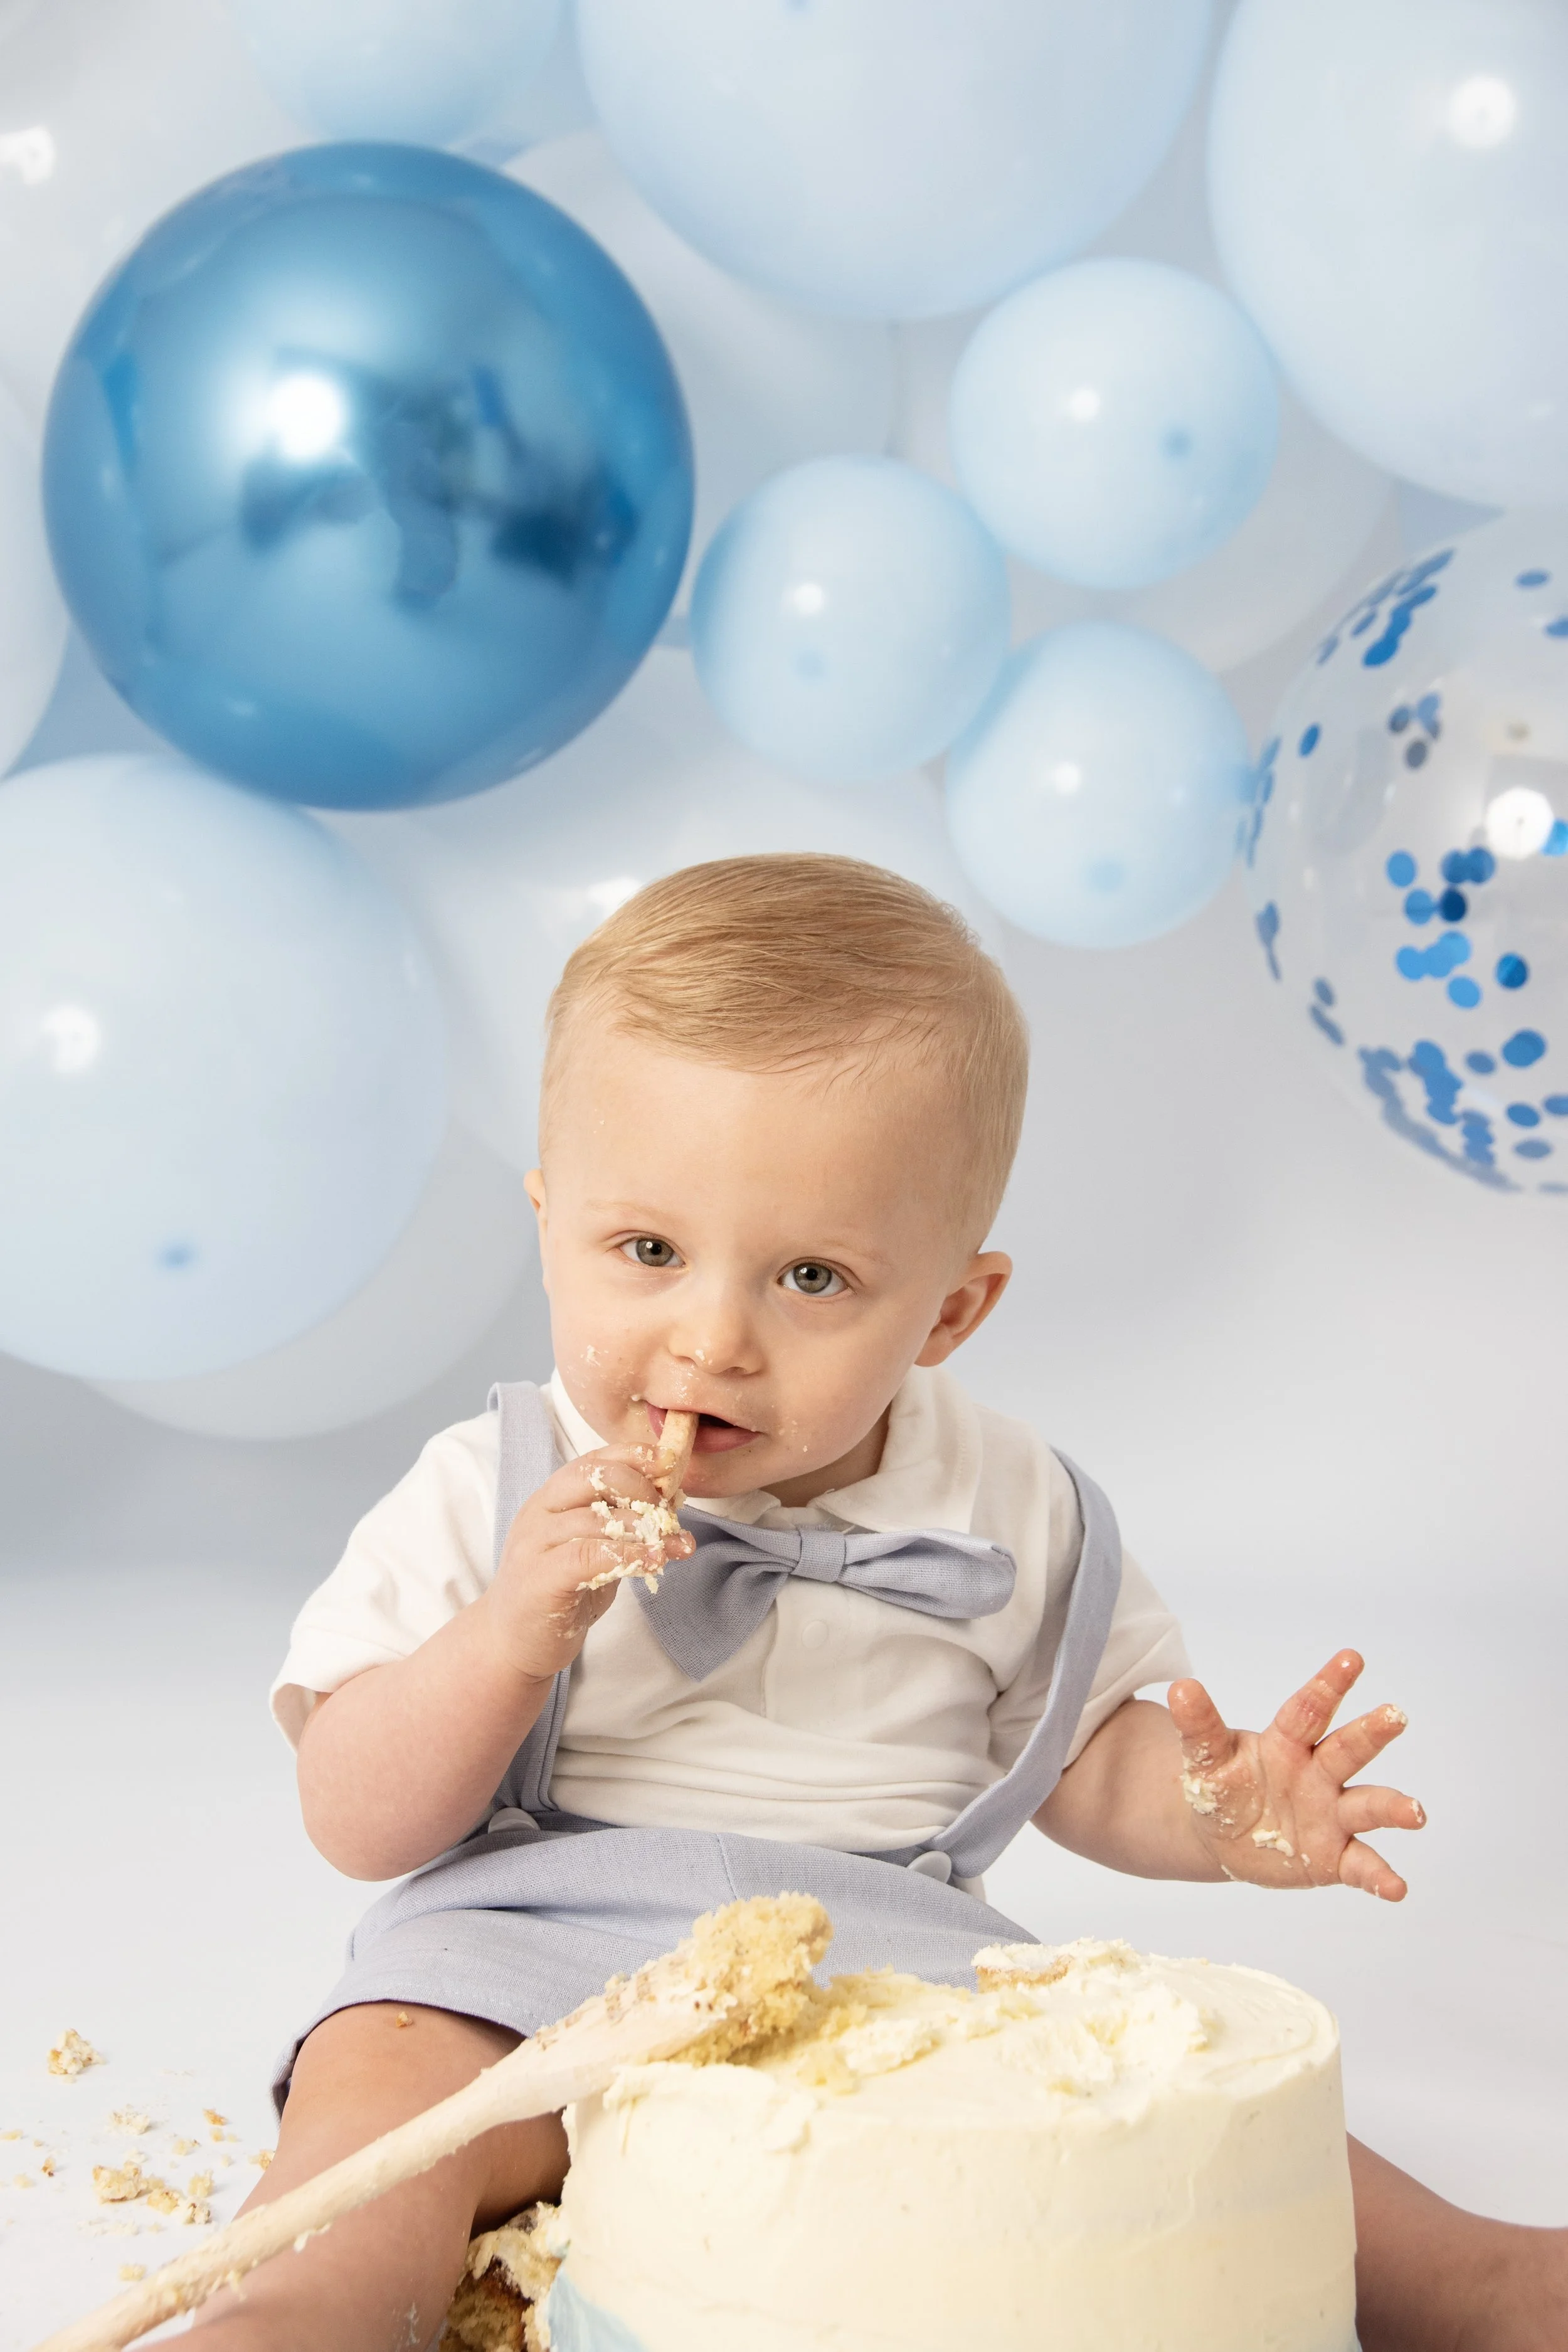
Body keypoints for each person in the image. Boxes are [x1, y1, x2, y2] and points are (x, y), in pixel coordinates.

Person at [195, 856, 1565, 2352]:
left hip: (894, 1965)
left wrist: (1212, 1810)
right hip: (522, 1943)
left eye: (810, 1277)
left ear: (951, 1312)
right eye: (645, 1252)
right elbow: (358, 1820)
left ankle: (1478, 2282)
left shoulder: (1008, 1498)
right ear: (546, 1224)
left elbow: (1084, 1755)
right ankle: (306, 2310)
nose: (709, 1339)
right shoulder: (493, 1484)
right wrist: (503, 1638)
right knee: (387, 2086)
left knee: (1167, 2104)